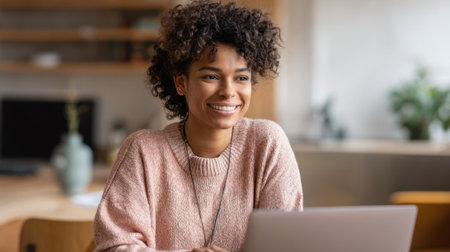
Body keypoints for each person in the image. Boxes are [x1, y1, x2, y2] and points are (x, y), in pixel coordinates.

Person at [94, 1, 303, 251]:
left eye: (241, 78)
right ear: (181, 83)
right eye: (211, 76)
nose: (228, 92)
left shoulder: (267, 143)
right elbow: (115, 246)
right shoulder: (143, 151)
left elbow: (288, 245)